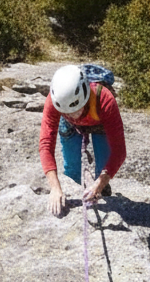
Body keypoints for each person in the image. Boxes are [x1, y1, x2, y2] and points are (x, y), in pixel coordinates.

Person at [39, 64, 126, 216]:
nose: (73, 115)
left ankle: (101, 192)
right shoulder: (54, 101)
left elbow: (119, 151)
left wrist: (99, 184)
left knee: (103, 168)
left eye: (76, 110)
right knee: (73, 169)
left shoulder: (104, 99)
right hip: (70, 127)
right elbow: (46, 143)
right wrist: (55, 187)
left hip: (100, 123)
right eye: (67, 112)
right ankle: (82, 193)